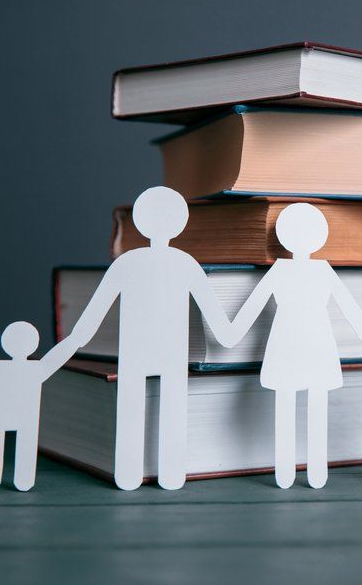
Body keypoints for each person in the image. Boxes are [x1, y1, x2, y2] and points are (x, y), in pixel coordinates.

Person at [57, 186, 237, 491]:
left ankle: (132, 474)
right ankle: (167, 474)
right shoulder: (184, 263)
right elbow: (220, 325)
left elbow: (91, 317)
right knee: (169, 408)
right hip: (165, 353)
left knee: (134, 407)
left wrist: (72, 343)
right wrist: (237, 332)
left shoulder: (129, 262)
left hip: (142, 352)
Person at [227, 203, 362, 489]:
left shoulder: (310, 270)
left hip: (303, 342)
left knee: (303, 404)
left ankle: (307, 472)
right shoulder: (299, 270)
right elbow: (350, 308)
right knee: (301, 404)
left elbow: (350, 307)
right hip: (301, 343)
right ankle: (295, 473)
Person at [0, 321, 73, 491]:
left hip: (5, 415)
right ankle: (18, 480)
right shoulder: (35, 369)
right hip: (20, 416)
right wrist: (74, 341)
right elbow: (56, 358)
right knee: (23, 444)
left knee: (1, 443)